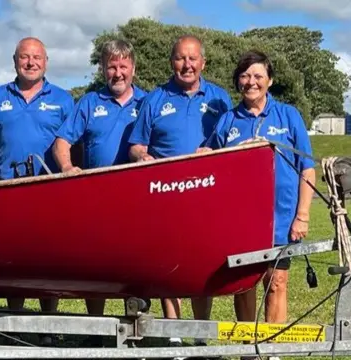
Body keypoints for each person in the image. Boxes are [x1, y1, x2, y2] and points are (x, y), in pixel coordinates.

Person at [127, 34, 233, 349]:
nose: (186, 65)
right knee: (169, 265)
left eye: (192, 59)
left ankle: (200, 334)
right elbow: (136, 144)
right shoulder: (155, 99)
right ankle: (172, 333)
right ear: (172, 61)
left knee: (202, 264)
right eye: (180, 58)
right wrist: (141, 156)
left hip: (206, 198)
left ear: (203, 62)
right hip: (165, 197)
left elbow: (230, 143)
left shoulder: (219, 99)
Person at [203, 50, 316, 340]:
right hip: (240, 221)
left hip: (282, 217)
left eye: (257, 76)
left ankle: (272, 345)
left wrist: (302, 216)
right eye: (244, 76)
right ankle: (248, 347)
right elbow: (211, 162)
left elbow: (307, 168)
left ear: (270, 80)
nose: (250, 82)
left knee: (276, 281)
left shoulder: (288, 115)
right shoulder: (228, 120)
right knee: (244, 283)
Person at [0, 36, 74, 316]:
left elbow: (75, 141)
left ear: (46, 62)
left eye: (37, 57)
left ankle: (48, 321)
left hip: (50, 190)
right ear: (15, 61)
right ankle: (15, 319)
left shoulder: (63, 99)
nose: (31, 62)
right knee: (15, 256)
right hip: (9, 190)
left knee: (49, 257)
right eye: (25, 57)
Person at [52, 39, 147, 318]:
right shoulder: (90, 102)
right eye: (111, 67)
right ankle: (96, 328)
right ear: (103, 70)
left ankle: (135, 324)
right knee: (97, 262)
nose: (118, 73)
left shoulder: (148, 102)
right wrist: (68, 168)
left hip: (136, 196)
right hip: (97, 197)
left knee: (136, 261)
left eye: (123, 66)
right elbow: (61, 141)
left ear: (133, 68)